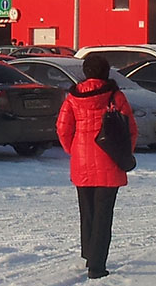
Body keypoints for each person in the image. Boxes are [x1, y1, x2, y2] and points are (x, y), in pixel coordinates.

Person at [56, 54, 138, 279]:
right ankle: (97, 266)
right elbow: (130, 128)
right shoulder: (115, 95)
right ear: (106, 72)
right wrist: (123, 152)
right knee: (104, 215)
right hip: (109, 160)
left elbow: (63, 129)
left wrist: (73, 151)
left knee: (88, 212)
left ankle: (89, 256)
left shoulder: (73, 96)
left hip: (81, 159)